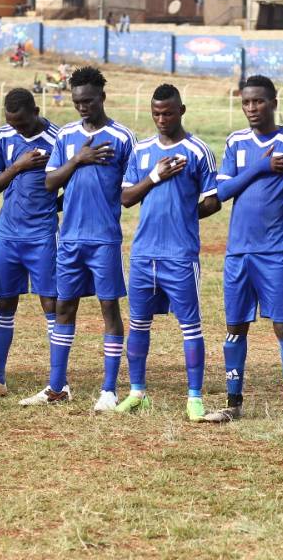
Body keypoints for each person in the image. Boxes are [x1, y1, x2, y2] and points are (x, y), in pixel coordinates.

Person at [202, 75, 283, 426]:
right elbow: (223, 192)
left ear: (274, 102)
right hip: (238, 251)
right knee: (234, 327)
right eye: (246, 102)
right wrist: (260, 167)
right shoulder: (235, 142)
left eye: (258, 101)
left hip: (275, 250)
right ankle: (233, 402)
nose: (251, 108)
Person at [119, 84, 221, 420]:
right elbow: (127, 197)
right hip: (143, 252)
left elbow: (211, 201)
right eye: (156, 113)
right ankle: (137, 393)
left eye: (168, 112)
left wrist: (184, 214)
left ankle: (194, 398)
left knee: (190, 326)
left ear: (182, 111)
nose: (162, 119)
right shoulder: (142, 151)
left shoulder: (198, 150)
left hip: (180, 254)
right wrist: (155, 176)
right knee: (138, 324)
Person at [40, 66, 137, 410]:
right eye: (77, 101)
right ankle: (56, 387)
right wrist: (79, 159)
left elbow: (131, 189)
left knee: (108, 307)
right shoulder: (66, 136)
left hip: (104, 238)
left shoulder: (124, 138)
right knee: (64, 307)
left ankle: (109, 390)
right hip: (69, 239)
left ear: (102, 98)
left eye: (89, 101)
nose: (82, 107)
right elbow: (50, 182)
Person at [0, 89, 59, 400]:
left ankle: (57, 382)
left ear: (36, 110)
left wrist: (53, 206)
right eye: (12, 123)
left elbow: (70, 184)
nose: (18, 128)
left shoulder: (57, 138)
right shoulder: (4, 137)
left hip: (43, 235)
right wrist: (19, 166)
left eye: (22, 122)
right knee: (5, 302)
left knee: (51, 304)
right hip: (8, 234)